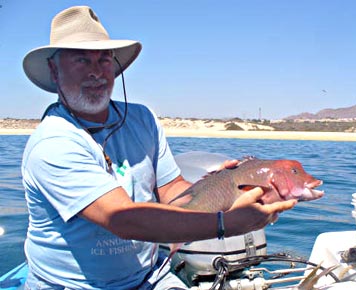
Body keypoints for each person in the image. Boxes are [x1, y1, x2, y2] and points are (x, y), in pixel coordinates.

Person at [21, 6, 297, 290]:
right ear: (54, 70)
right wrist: (226, 223)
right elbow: (123, 220)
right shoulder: (53, 142)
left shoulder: (142, 119)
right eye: (81, 60)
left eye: (104, 59)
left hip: (148, 277)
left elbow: (172, 192)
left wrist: (228, 190)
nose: (96, 72)